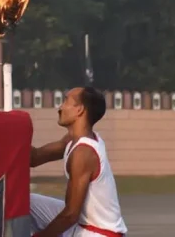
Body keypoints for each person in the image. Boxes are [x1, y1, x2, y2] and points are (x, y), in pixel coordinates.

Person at [29, 87, 128, 237]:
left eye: (66, 101)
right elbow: (34, 158)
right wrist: (5, 126)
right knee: (26, 202)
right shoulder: (72, 140)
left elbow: (70, 215)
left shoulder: (83, 153)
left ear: (79, 110)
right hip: (82, 223)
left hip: (99, 233)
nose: (60, 107)